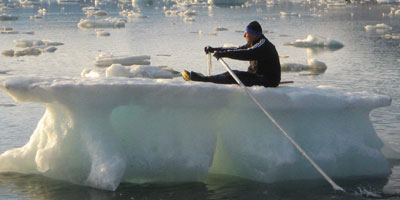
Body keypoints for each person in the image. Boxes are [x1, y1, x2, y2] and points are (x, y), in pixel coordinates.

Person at [182, 21, 281, 87]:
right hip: (257, 76)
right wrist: (215, 49)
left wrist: (223, 54)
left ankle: (203, 80)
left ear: (255, 35)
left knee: (234, 75)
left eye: (246, 33)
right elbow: (237, 48)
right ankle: (204, 79)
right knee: (231, 74)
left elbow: (246, 53)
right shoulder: (254, 43)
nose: (244, 35)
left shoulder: (263, 45)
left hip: (268, 80)